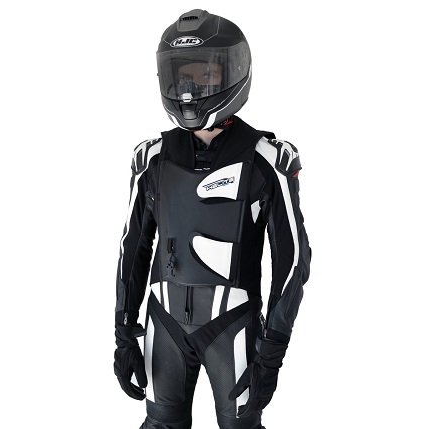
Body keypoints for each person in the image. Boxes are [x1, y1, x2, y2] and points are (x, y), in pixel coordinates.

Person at [114, 9, 312, 429]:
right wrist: (124, 332)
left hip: (233, 326)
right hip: (164, 324)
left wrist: (272, 353)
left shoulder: (267, 161)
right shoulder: (152, 159)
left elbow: (294, 261)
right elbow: (133, 250)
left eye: (205, 74)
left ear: (233, 71)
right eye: (183, 74)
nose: (191, 88)